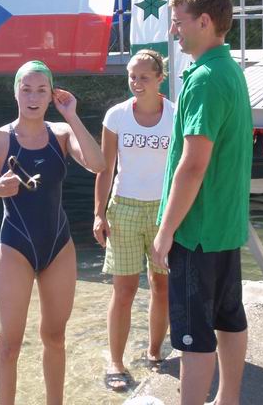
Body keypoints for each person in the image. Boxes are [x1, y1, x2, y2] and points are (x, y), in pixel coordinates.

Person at [0, 61, 105, 405]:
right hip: (15, 249)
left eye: (41, 90)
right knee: (10, 344)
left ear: (51, 95)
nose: (33, 97)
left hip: (58, 247)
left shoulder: (62, 134)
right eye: (26, 89)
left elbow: (98, 164)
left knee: (55, 337)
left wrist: (72, 115)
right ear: (15, 92)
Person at [151, 0, 253, 405]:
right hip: (225, 226)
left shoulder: (205, 80)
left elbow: (193, 166)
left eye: (179, 22)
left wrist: (165, 231)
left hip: (196, 231)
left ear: (205, 22)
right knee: (229, 318)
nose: (173, 31)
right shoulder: (230, 71)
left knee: (193, 336)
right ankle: (227, 400)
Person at [93, 49, 174, 391]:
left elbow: (183, 169)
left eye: (144, 77)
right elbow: (105, 168)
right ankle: (115, 362)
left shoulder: (176, 115)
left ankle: (155, 352)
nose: (136, 83)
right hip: (123, 208)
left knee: (161, 286)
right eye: (131, 76)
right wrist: (98, 214)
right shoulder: (116, 116)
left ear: (160, 78)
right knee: (123, 290)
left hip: (163, 211)